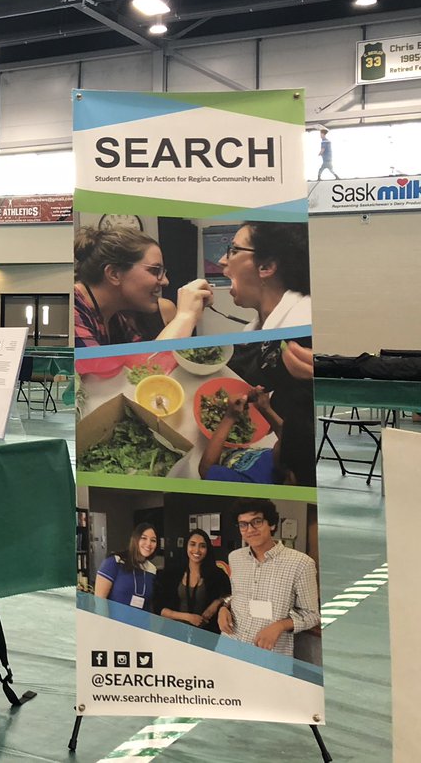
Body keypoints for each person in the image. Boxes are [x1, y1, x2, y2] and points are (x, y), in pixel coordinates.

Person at [223, 221, 314, 485]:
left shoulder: (304, 317)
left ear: (266, 267)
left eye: (232, 250)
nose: (222, 260)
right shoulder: (254, 329)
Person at [74, 227, 212, 347]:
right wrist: (185, 316)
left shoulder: (116, 317)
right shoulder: (73, 311)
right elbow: (150, 367)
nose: (165, 281)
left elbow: (138, 364)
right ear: (114, 274)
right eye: (155, 271)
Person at [218, 498, 320, 656]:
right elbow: (237, 594)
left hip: (270, 653)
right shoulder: (235, 557)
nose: (250, 529)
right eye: (243, 524)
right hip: (230, 645)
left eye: (257, 521)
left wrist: (280, 626)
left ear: (271, 524)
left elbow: (312, 615)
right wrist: (224, 608)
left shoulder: (301, 563)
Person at [219, 222, 311, 331]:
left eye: (235, 250)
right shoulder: (251, 330)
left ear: (266, 267)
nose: (222, 261)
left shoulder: (306, 322)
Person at [155, 529, 231, 632]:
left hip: (206, 634)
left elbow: (230, 595)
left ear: (208, 549)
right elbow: (159, 608)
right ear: (186, 546)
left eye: (202, 546)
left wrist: (216, 603)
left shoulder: (217, 574)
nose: (197, 550)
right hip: (174, 632)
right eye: (192, 544)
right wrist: (188, 617)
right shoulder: (171, 573)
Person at [94, 523, 159, 611]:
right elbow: (100, 602)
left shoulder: (152, 569)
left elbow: (148, 606)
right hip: (114, 623)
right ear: (135, 539)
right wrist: (106, 624)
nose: (149, 543)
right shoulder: (115, 561)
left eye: (153, 540)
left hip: (140, 623)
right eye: (144, 538)